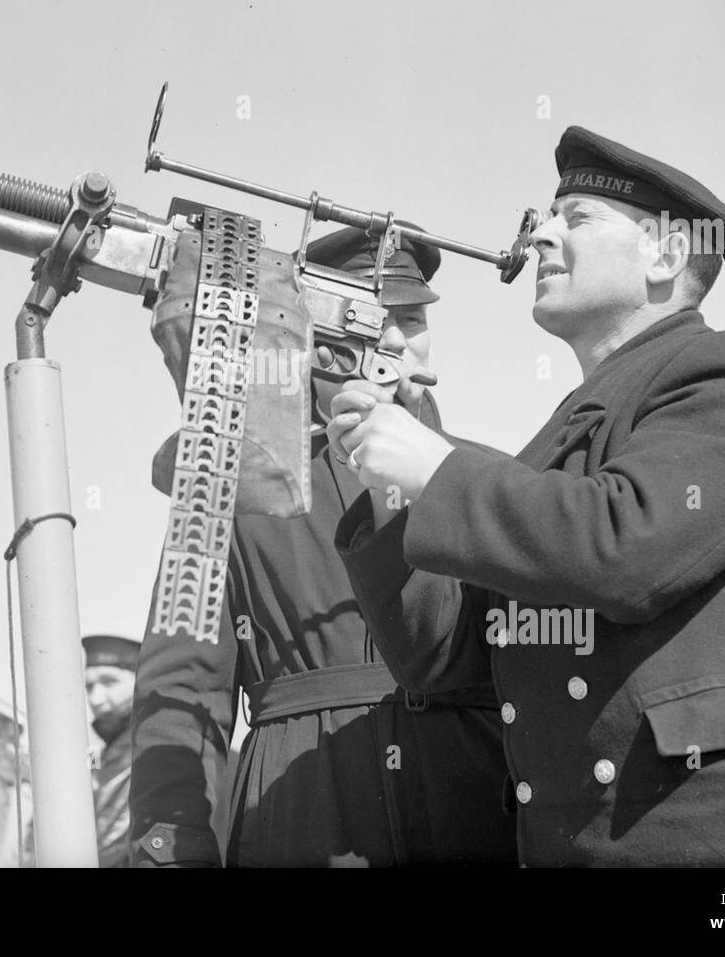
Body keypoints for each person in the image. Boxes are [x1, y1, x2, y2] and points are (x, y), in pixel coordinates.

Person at [327, 126, 725, 867]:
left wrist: (435, 466)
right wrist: (391, 493)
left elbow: (625, 549)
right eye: (545, 219)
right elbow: (446, 658)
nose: (541, 239)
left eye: (578, 218)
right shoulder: (555, 444)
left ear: (665, 255)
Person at [129, 227, 517, 867]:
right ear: (315, 334)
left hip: (477, 806)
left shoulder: (489, 478)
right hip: (301, 810)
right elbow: (180, 696)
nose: (394, 337)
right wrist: (172, 853)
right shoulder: (230, 486)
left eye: (412, 318)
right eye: (372, 318)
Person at [82, 634, 140, 868]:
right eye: (89, 686)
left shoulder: (152, 749)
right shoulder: (97, 751)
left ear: (140, 680)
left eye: (109, 682)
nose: (95, 698)